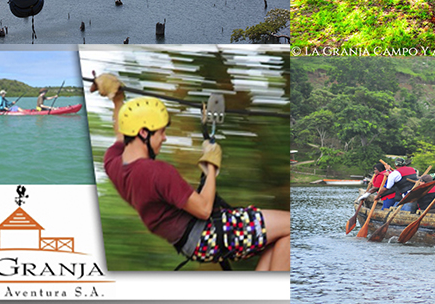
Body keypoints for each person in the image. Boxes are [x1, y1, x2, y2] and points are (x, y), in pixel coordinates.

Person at [91, 73, 290, 271]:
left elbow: (121, 132)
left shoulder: (113, 163)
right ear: (143, 133)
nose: (165, 138)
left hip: (194, 245)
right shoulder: (157, 172)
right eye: (161, 132)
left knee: (277, 240)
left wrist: (117, 100)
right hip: (208, 235)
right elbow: (204, 208)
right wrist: (211, 165)